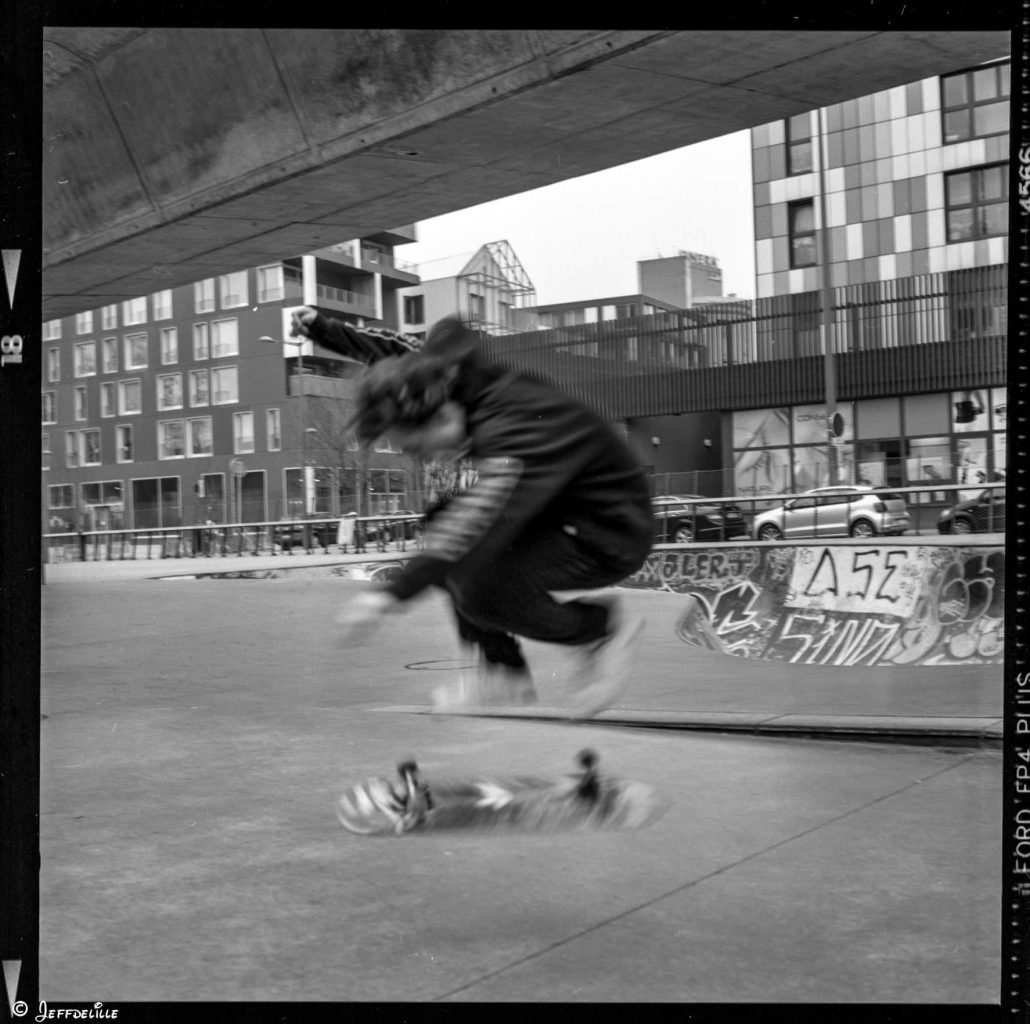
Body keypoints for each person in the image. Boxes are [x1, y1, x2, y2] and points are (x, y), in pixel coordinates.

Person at [287, 306, 654, 717]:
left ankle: (600, 631)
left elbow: (473, 526)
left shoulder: (509, 429)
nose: (428, 456)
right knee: (444, 524)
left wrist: (391, 595)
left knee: (467, 566)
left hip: (609, 533)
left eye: (420, 445)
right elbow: (392, 355)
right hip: (562, 511)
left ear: (441, 414)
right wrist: (325, 330)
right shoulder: (443, 374)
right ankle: (502, 672)